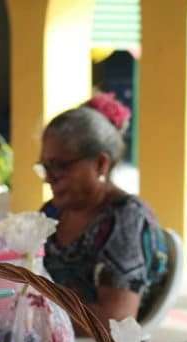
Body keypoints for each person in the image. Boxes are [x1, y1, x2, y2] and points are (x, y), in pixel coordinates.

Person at [39, 93, 167, 325]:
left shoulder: (126, 220)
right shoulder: (54, 212)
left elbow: (116, 319)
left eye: (60, 166)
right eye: (45, 166)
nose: (48, 178)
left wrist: (34, 312)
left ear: (100, 163)